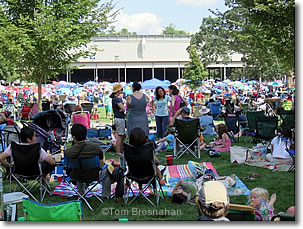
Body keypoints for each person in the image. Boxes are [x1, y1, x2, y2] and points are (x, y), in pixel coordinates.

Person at [65, 123, 108, 196]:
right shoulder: (96, 147)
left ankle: (81, 193)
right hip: (94, 175)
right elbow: (101, 165)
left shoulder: (68, 152)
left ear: (74, 137)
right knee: (107, 170)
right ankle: (105, 194)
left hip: (75, 176)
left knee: (78, 169)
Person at [110, 83, 126, 156]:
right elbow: (123, 108)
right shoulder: (117, 99)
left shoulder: (114, 99)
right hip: (119, 118)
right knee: (120, 135)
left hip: (117, 118)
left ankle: (120, 150)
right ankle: (118, 151)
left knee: (122, 135)